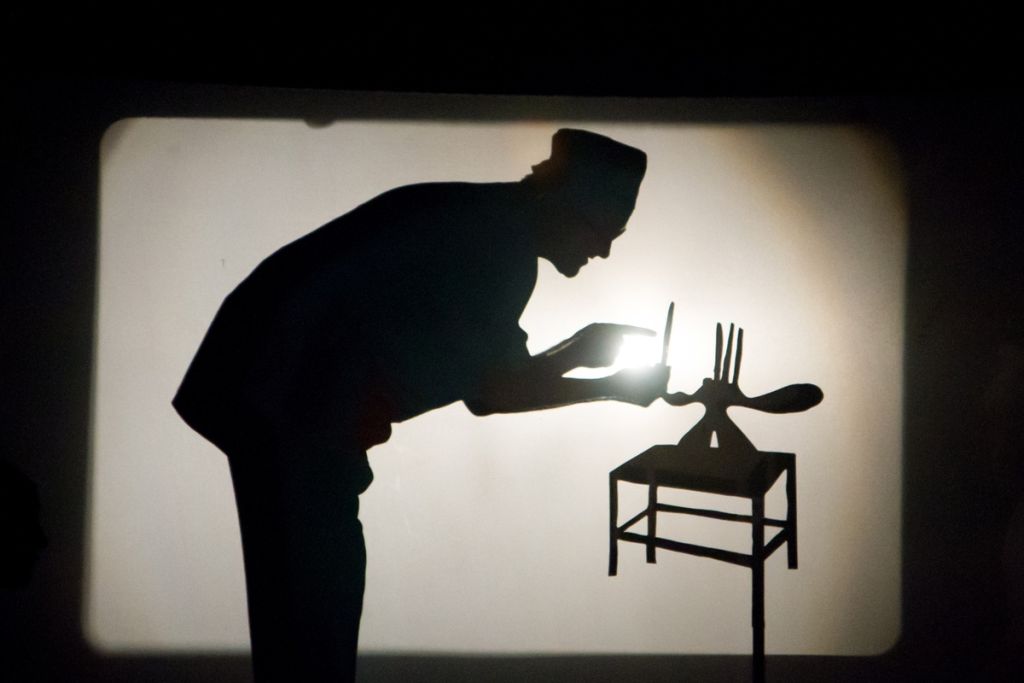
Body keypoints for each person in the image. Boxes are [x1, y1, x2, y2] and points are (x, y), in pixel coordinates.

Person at [173, 128, 668, 681]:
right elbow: (495, 392)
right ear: (563, 202)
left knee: (308, 606)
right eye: (602, 230)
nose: (603, 250)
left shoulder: (485, 220)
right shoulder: (497, 247)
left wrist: (580, 353)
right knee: (314, 612)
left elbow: (492, 382)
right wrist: (612, 385)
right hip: (286, 407)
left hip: (272, 398)